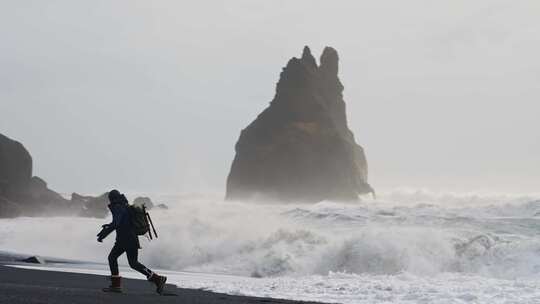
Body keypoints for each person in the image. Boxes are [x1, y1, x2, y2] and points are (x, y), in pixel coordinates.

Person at [97, 189, 167, 294]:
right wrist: (108, 227)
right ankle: (157, 279)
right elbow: (120, 222)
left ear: (112, 198)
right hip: (131, 239)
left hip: (124, 240)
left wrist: (103, 234)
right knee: (133, 263)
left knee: (113, 258)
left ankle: (116, 286)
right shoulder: (125, 205)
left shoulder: (117, 207)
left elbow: (116, 223)